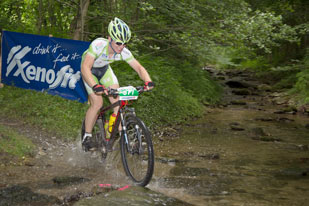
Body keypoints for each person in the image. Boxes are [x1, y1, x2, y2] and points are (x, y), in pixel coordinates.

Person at [81, 17, 154, 151]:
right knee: (97, 103)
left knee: (119, 102)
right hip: (89, 70)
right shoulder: (98, 45)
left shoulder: (123, 52)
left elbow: (139, 68)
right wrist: (95, 86)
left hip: (104, 71)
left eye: (125, 44)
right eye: (119, 43)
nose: (122, 47)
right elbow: (85, 67)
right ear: (109, 39)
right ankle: (87, 136)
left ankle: (124, 139)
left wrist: (148, 81)